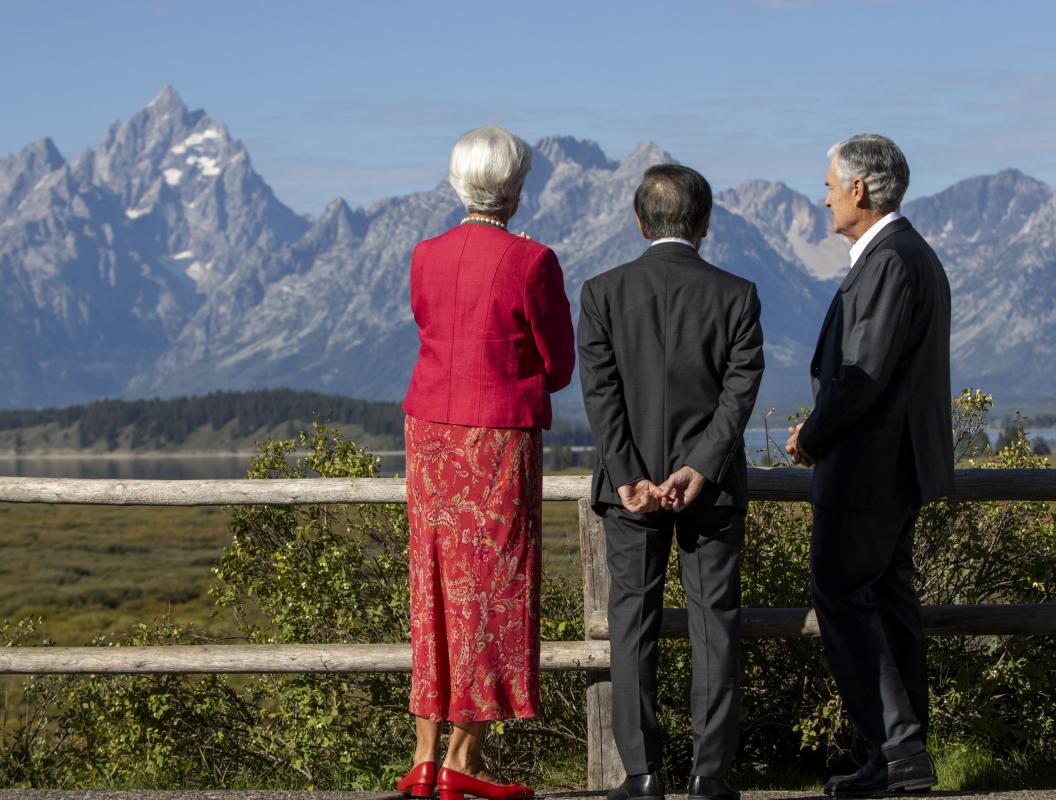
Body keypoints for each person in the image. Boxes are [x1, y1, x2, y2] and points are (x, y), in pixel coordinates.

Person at [397, 125, 576, 800]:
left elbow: (428, 325)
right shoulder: (532, 263)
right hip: (496, 436)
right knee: (494, 589)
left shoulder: (424, 254)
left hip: (430, 434)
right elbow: (558, 366)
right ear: (517, 189)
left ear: (457, 183)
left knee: (435, 583)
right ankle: (464, 762)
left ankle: (423, 755)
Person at [578, 164, 764, 800]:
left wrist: (630, 474)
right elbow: (740, 393)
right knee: (715, 624)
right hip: (710, 491)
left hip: (628, 491)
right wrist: (702, 465)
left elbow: (601, 396)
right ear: (705, 224)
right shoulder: (737, 295)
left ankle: (643, 773)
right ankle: (709, 775)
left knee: (632, 624)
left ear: (639, 222)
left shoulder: (602, 292)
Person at [787, 134, 954, 798]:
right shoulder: (908, 257)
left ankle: (899, 747)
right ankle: (901, 758)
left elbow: (862, 375)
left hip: (868, 471)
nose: (823, 196)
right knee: (887, 601)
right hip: (893, 469)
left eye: (829, 184)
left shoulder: (889, 262)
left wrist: (813, 436)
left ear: (858, 189)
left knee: (841, 595)